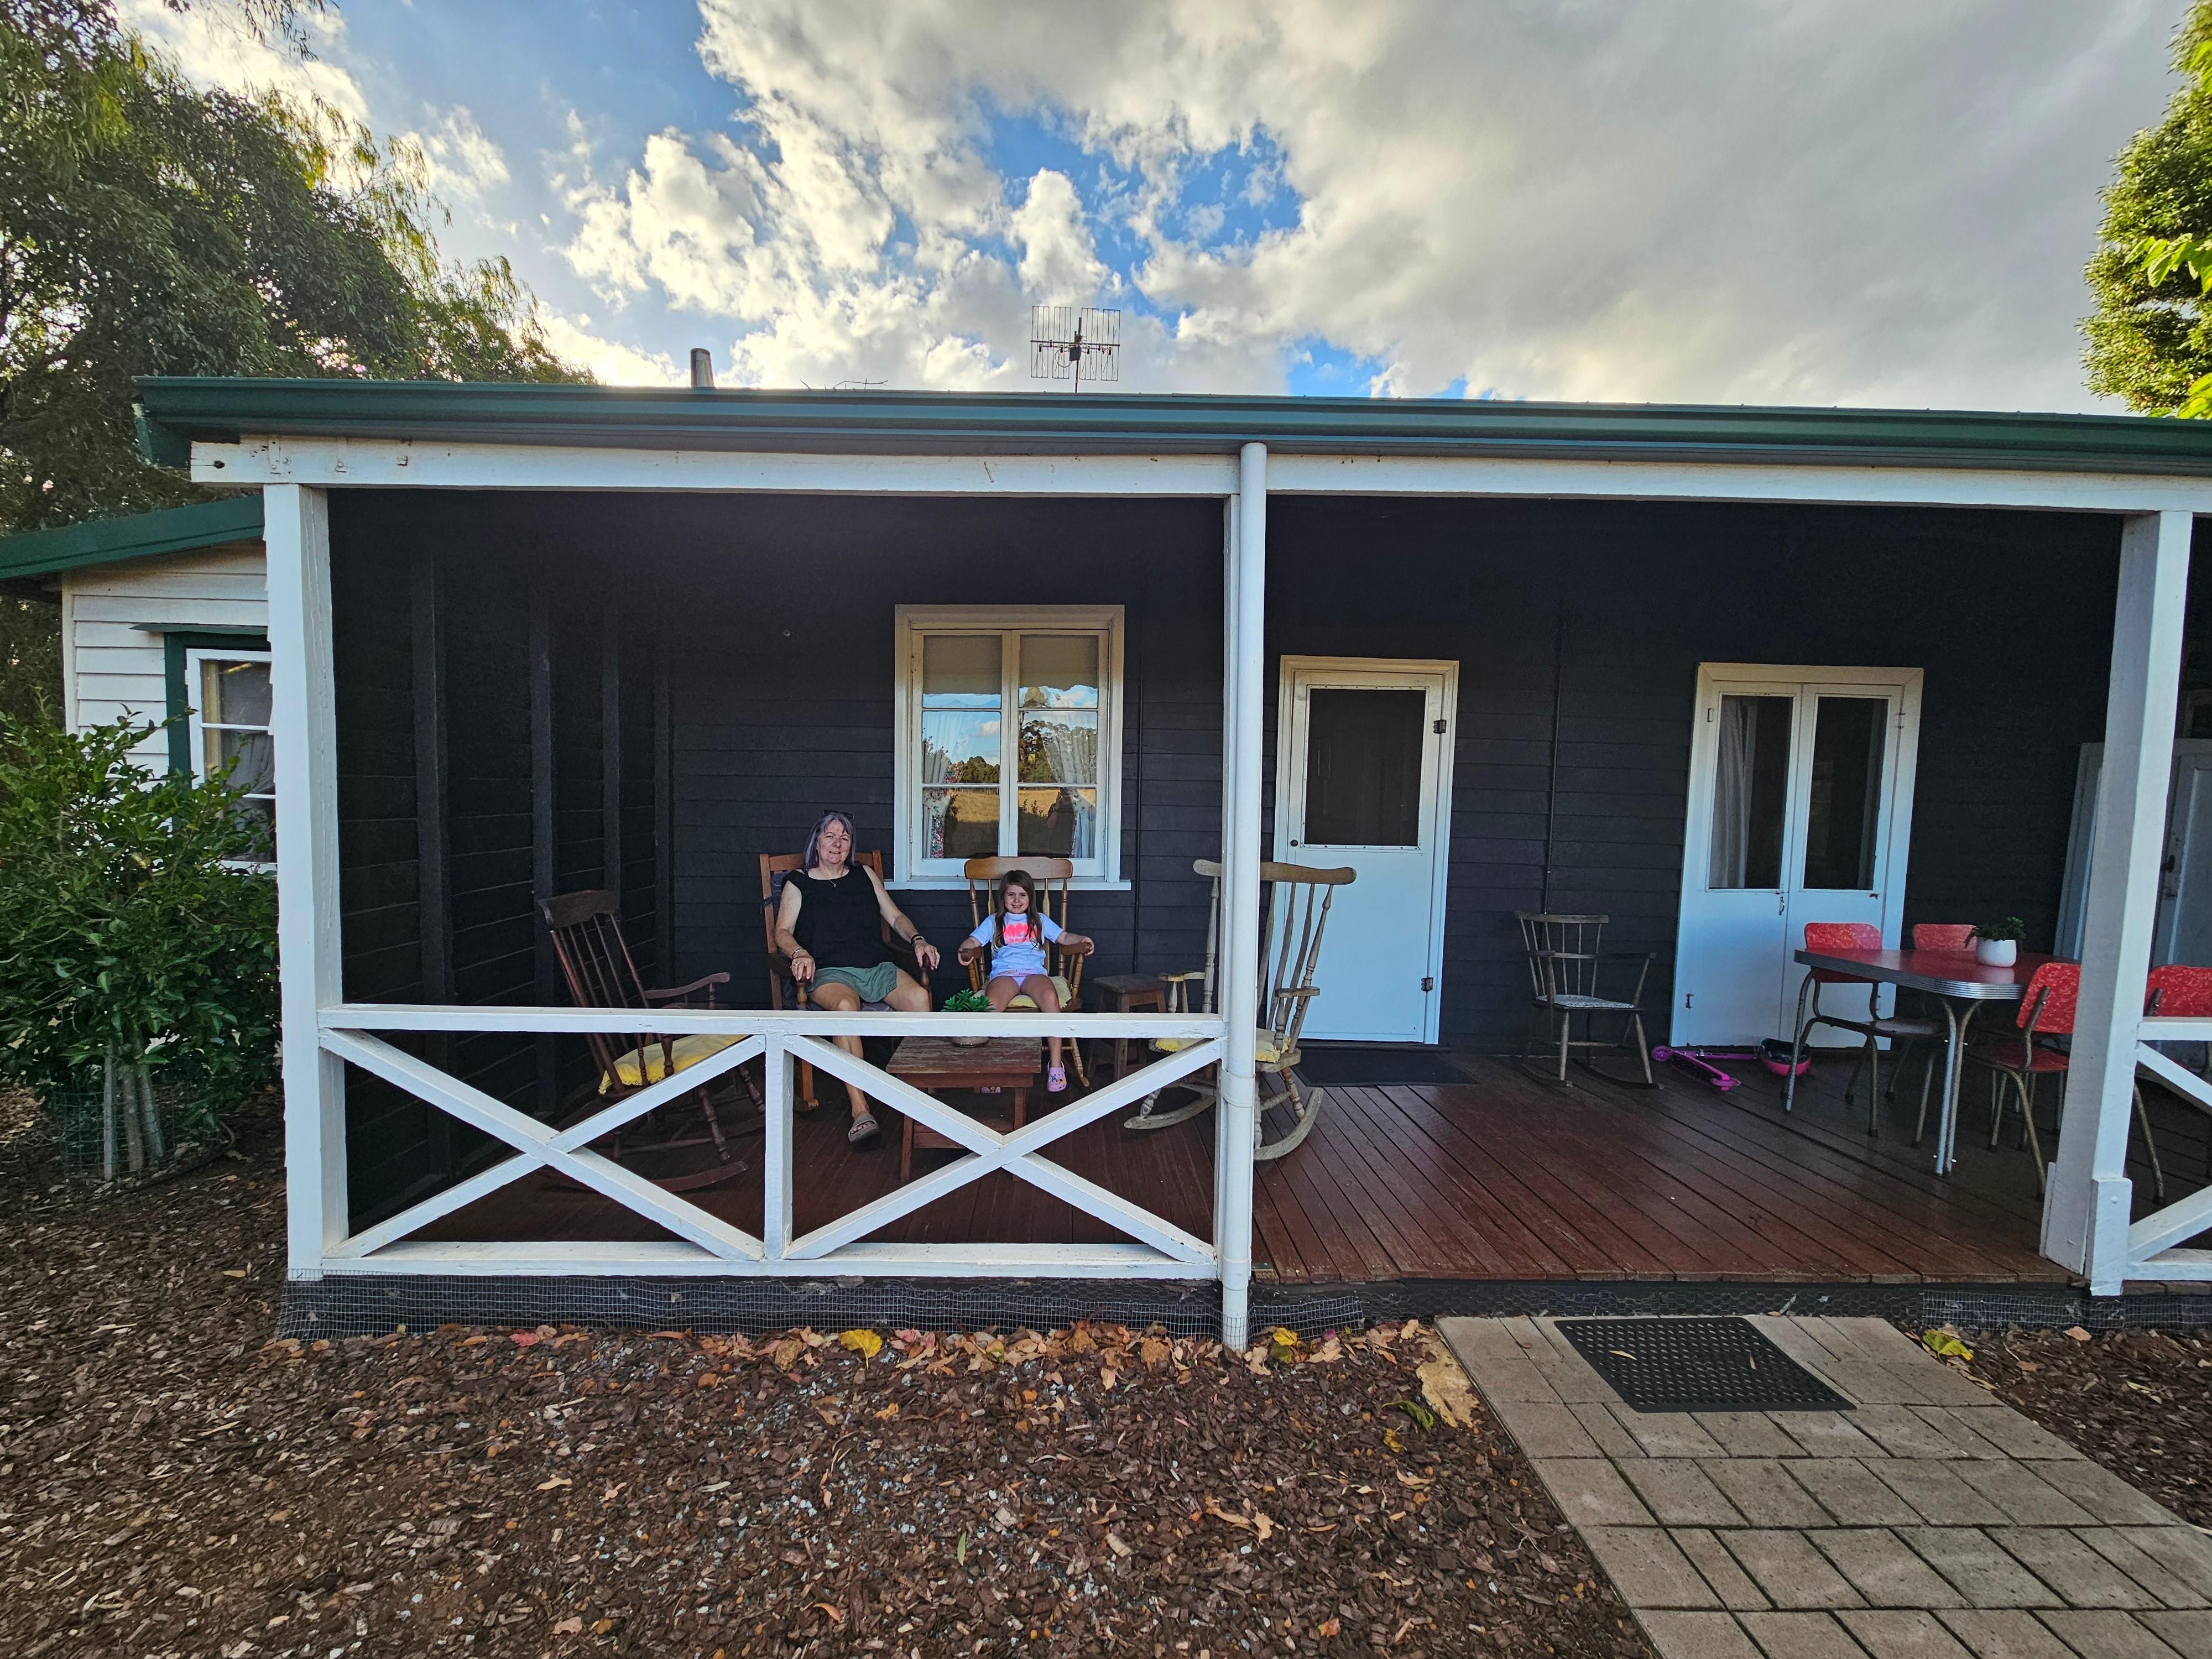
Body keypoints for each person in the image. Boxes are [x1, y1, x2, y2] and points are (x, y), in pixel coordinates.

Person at [773, 811, 940, 1144]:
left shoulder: (864, 874)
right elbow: (782, 932)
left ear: (851, 845)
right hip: (829, 971)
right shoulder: (798, 882)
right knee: (845, 1008)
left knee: (920, 998)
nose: (837, 844)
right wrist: (799, 953)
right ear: (817, 842)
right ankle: (860, 1109)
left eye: (844, 838)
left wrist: (918, 940)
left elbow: (895, 916)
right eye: (830, 837)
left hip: (875, 966)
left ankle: (923, 1098)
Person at [957, 867, 1093, 1093]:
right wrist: (965, 949)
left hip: (1034, 974)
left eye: (1022, 895)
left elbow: (1064, 937)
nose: (1017, 900)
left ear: (1030, 898)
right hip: (1005, 975)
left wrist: (1082, 940)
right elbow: (974, 941)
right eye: (1011, 895)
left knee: (1050, 997)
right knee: (991, 1006)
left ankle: (1056, 1065)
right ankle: (993, 1068)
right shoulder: (994, 921)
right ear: (1003, 897)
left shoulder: (1039, 921)